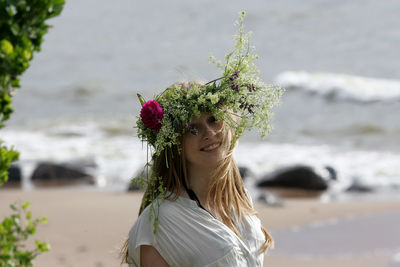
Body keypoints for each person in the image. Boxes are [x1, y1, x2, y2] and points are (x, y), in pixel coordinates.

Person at [121, 12, 282, 267]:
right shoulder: (158, 224)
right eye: (192, 128)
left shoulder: (239, 201)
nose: (208, 133)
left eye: (214, 120)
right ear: (176, 144)